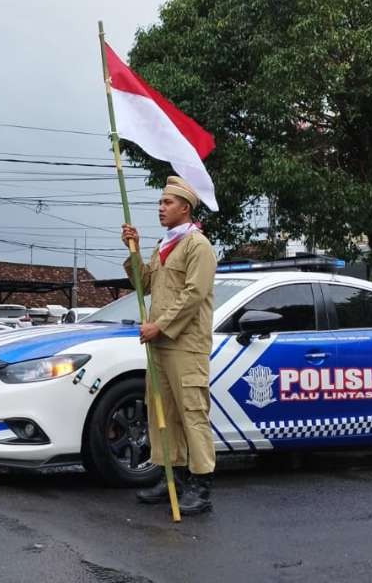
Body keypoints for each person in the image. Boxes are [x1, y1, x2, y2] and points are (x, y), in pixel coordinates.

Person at [120, 176, 217, 516]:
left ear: (185, 208)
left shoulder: (197, 246)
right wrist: (132, 250)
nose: (160, 208)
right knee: (162, 412)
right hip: (159, 343)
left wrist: (159, 326)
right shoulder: (165, 245)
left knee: (192, 413)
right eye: (160, 203)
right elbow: (145, 284)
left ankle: (201, 483)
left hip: (184, 344)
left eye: (167, 203)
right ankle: (170, 475)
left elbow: (194, 295)